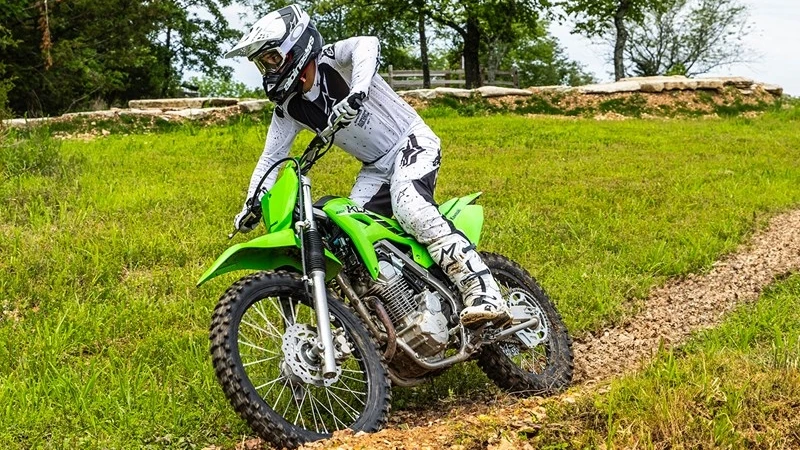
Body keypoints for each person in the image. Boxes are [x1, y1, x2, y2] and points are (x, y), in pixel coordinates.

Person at [224, 4, 510, 328]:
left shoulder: (333, 59)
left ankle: (483, 292)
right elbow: (271, 158)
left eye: (272, 59)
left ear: (296, 46)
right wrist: (252, 204)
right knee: (346, 238)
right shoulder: (289, 109)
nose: (269, 70)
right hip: (375, 169)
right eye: (263, 64)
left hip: (410, 141)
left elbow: (367, 44)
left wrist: (358, 89)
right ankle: (396, 314)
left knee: (411, 208)